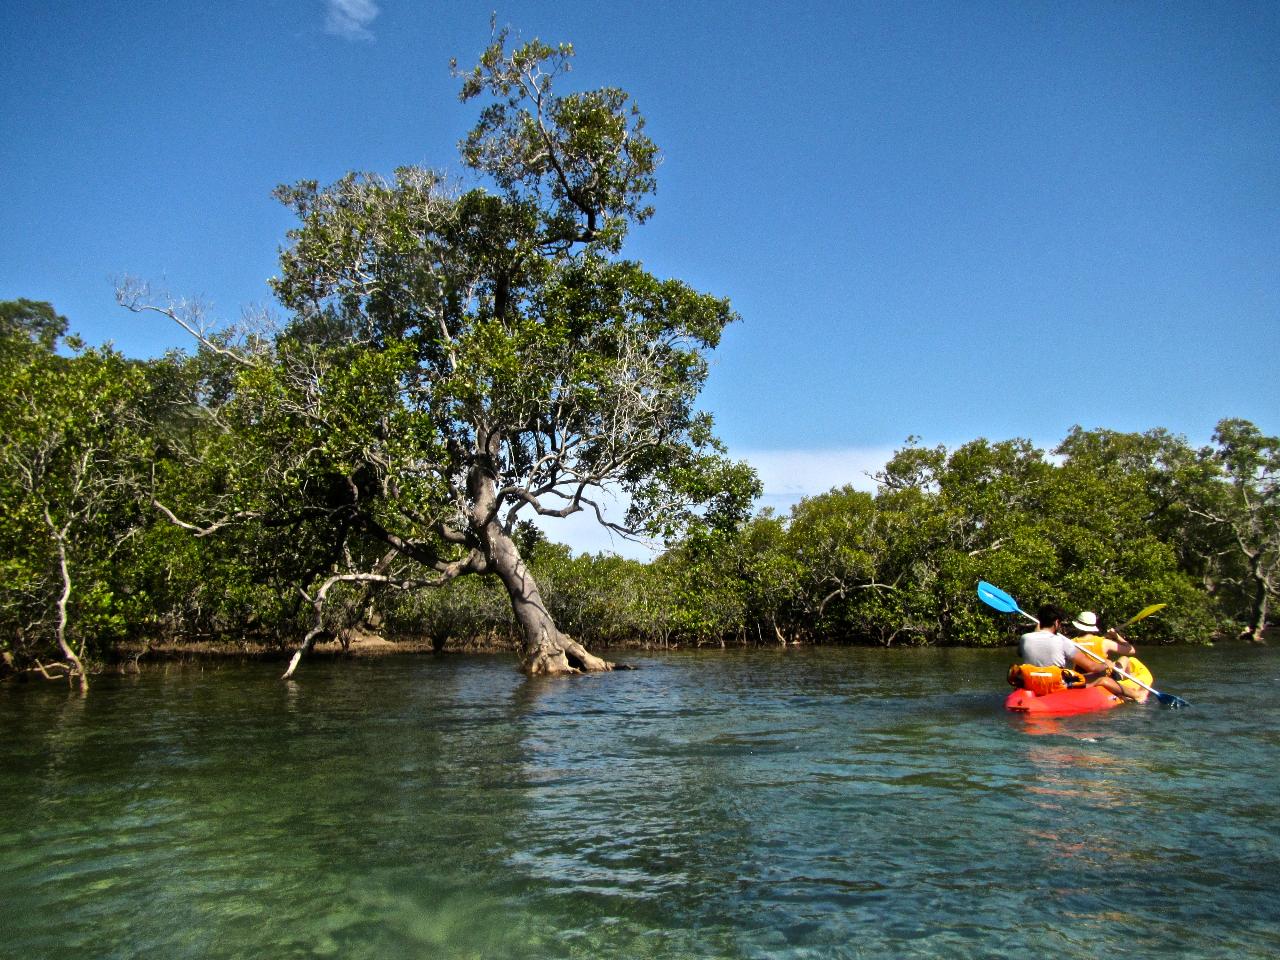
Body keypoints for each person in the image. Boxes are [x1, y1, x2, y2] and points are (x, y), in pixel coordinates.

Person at [1010, 603, 1131, 699]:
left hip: (1032, 683)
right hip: (1056, 685)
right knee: (1102, 678)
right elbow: (1092, 667)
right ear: (1057, 622)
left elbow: (1020, 653)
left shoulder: (1024, 638)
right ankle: (1136, 694)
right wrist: (1106, 664)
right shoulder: (1063, 642)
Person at [1068, 610, 1151, 703]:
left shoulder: (1071, 643)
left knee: (1119, 661)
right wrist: (1116, 636)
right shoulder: (1104, 642)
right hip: (1105, 677)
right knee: (1125, 658)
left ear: (1078, 626)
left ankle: (1126, 684)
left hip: (1083, 678)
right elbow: (1131, 650)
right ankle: (1126, 685)